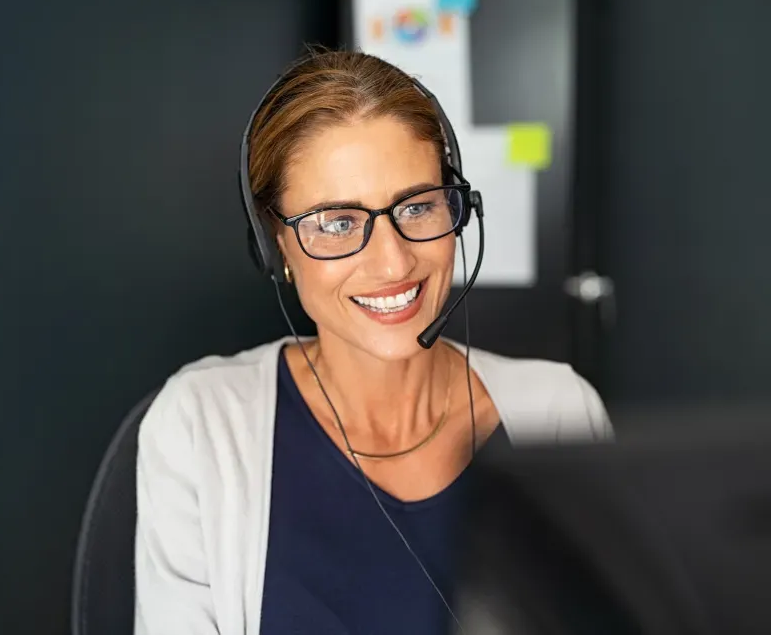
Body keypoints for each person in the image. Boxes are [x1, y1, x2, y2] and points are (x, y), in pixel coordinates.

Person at [133, 49, 612, 635]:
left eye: (417, 206)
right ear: (275, 245)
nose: (392, 261)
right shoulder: (200, 425)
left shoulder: (559, 412)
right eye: (336, 223)